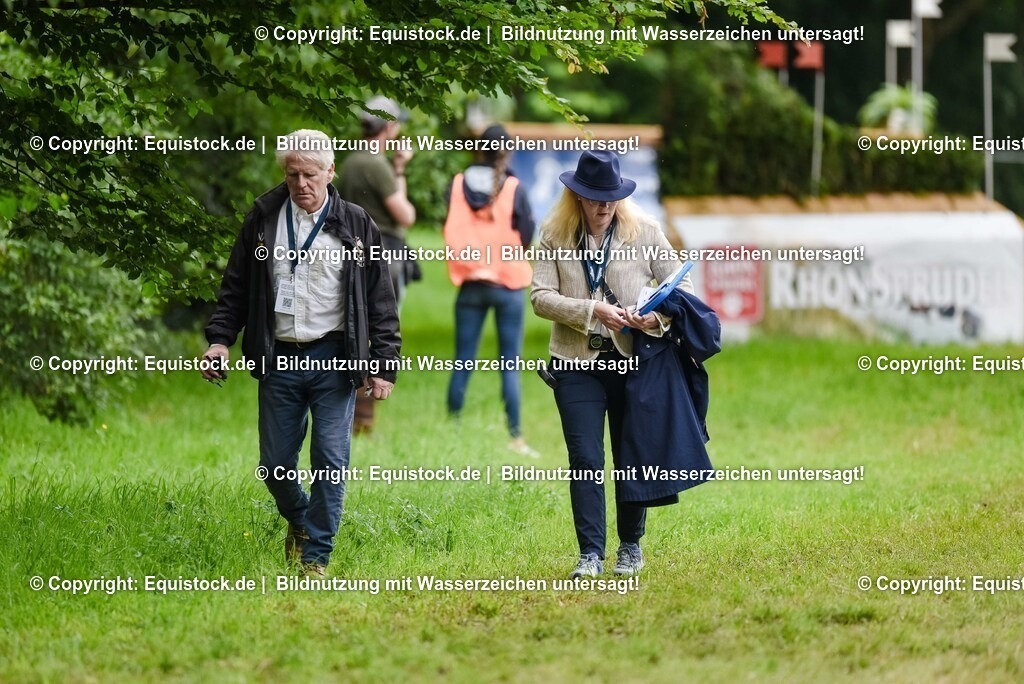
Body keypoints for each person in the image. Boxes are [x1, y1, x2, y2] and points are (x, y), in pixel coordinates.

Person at [201, 129, 401, 578]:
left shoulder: (356, 223)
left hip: (335, 356)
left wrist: (385, 364)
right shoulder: (264, 216)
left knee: (330, 459)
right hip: (279, 358)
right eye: (292, 174)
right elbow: (236, 286)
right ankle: (300, 520)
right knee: (274, 467)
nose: (301, 184)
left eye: (310, 174)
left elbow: (379, 299)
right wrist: (219, 340)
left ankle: (316, 557)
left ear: (330, 172)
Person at [530, 150, 695, 579]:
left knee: (630, 454)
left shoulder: (645, 231)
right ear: (577, 197)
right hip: (573, 363)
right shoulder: (552, 234)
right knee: (584, 457)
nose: (604, 205)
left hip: (632, 362)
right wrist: (591, 311)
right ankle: (589, 552)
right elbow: (540, 298)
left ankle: (630, 546)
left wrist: (656, 317)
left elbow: (683, 284)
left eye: (611, 197)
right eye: (594, 197)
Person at [443, 124, 538, 457]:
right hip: (508, 283)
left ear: (479, 149)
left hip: (470, 283)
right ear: (506, 151)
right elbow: (526, 234)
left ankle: (452, 431)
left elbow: (450, 224)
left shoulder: (456, 184)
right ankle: (515, 436)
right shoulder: (514, 187)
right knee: (509, 363)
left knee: (462, 360)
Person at [337, 96, 416, 435]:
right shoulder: (376, 164)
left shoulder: (350, 161)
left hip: (350, 253)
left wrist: (397, 167)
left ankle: (357, 414)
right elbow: (406, 215)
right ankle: (364, 415)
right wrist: (398, 170)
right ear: (389, 127)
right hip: (383, 255)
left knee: (355, 328)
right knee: (379, 330)